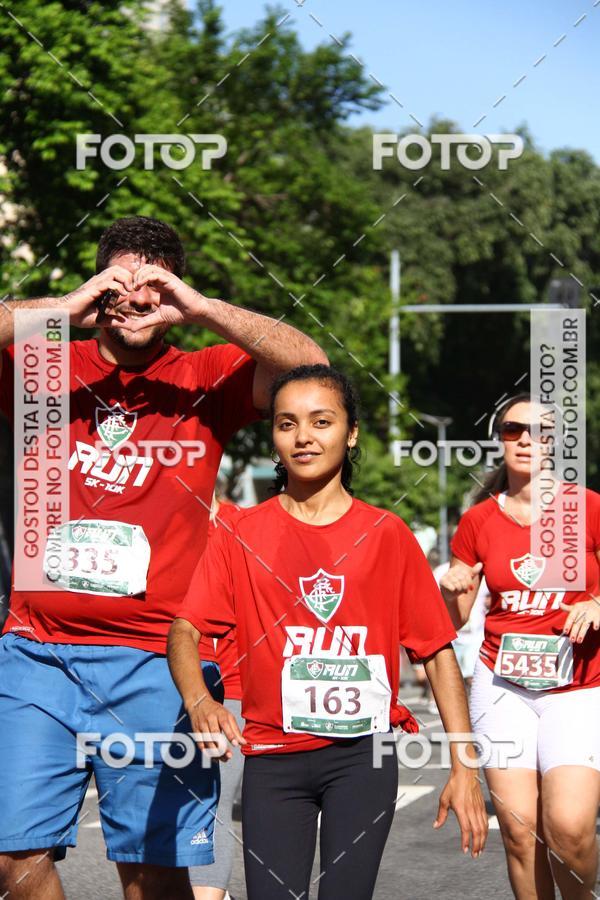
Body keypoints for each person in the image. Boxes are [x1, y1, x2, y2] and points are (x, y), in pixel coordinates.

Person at [0, 215, 326, 900]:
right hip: (37, 651)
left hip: (156, 659)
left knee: (150, 877)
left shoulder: (205, 375)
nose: (137, 299)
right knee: (12, 859)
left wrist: (202, 308)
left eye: (154, 285)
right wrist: (64, 309)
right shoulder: (43, 364)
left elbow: (309, 367)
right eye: (123, 282)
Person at [168, 364, 488, 900]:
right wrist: (199, 699)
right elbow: (185, 630)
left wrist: (464, 766)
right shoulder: (240, 534)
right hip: (273, 759)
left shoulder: (386, 534)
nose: (304, 437)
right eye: (287, 423)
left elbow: (435, 652)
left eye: (321, 421)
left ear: (351, 432)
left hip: (363, 757)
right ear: (273, 434)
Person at [440, 393, 600, 900]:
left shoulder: (588, 508)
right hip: (501, 683)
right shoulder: (478, 521)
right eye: (514, 429)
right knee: (519, 830)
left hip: (578, 685)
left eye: (540, 431)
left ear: (556, 442)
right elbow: (454, 622)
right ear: (500, 438)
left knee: (569, 829)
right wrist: (451, 591)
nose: (527, 439)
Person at [191, 490, 244, 900]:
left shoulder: (242, 526)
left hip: (232, 685)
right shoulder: (156, 529)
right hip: (161, 681)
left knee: (213, 798)